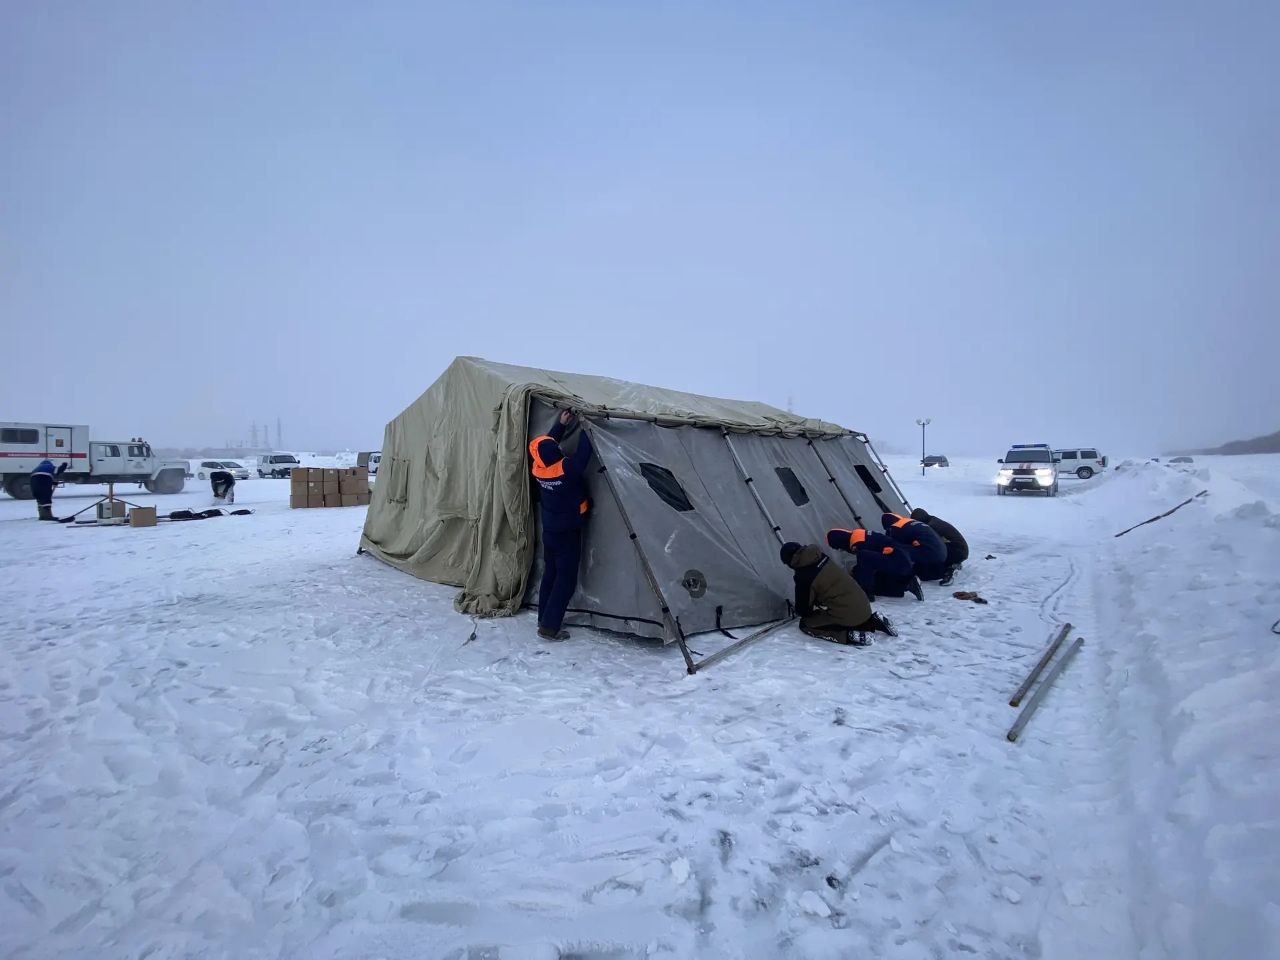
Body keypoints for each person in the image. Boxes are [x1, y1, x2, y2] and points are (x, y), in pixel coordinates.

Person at [530, 410, 594, 641]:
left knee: (551, 573)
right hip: (568, 532)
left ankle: (544, 617)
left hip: (550, 531)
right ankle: (550, 627)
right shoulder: (567, 470)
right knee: (565, 580)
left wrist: (560, 425)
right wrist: (588, 427)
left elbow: (546, 448)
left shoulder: (538, 469)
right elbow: (585, 452)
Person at [780, 541, 896, 646]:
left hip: (848, 614)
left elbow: (803, 610)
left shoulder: (803, 576)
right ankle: (873, 621)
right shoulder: (821, 556)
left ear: (790, 561)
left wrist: (800, 607)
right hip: (864, 606)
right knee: (847, 612)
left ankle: (849, 636)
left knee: (807, 624)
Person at [826, 528, 924, 601]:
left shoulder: (858, 543)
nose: (841, 550)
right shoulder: (859, 535)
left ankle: (867, 592)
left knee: (863, 561)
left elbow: (864, 566)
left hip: (898, 559)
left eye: (838, 547)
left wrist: (864, 589)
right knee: (877, 584)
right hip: (901, 558)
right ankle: (907, 584)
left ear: (839, 541)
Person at [880, 512, 949, 581]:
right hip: (942, 552)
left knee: (897, 550)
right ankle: (943, 570)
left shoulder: (897, 528)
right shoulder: (910, 522)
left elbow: (894, 544)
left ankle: (905, 577)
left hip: (932, 553)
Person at [910, 507, 969, 585]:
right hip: (957, 549)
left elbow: (929, 545)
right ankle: (952, 563)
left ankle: (950, 569)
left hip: (958, 550)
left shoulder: (932, 527)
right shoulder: (931, 520)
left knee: (928, 569)